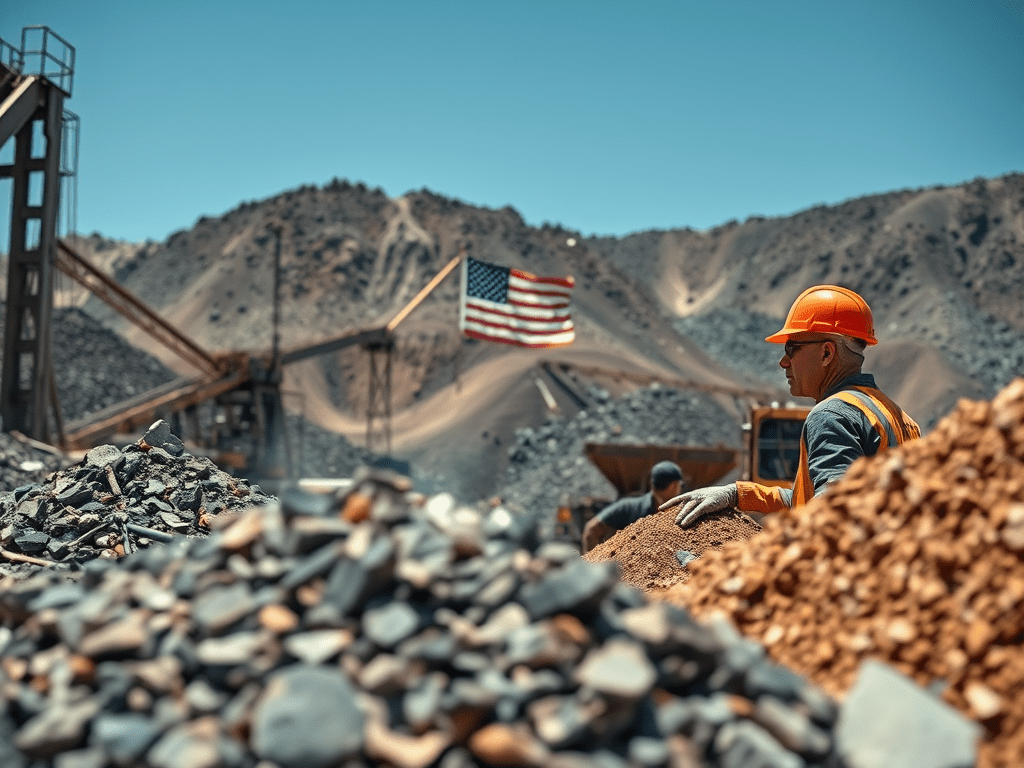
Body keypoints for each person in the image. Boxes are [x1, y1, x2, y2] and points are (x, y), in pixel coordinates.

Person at [663, 284, 921, 527]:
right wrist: (736, 494)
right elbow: (809, 500)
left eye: (792, 348)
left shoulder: (832, 415)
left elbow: (830, 514)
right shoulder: (902, 420)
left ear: (827, 353)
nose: (784, 362)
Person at [581, 460, 683, 552]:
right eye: (678, 485)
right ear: (674, 485)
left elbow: (591, 529)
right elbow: (591, 529)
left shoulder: (627, 506)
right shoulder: (628, 507)